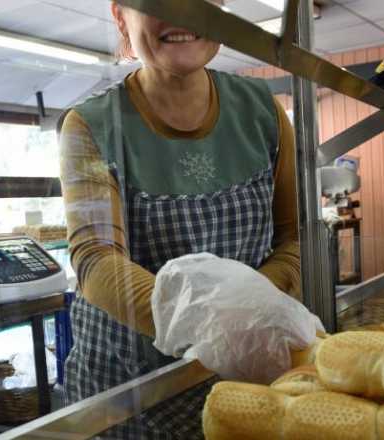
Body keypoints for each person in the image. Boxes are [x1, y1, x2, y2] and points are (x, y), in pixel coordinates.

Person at [58, 1, 302, 437]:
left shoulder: (263, 111)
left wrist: (245, 317)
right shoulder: (90, 126)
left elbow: (296, 236)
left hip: (239, 375)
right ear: (121, 16)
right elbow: (96, 260)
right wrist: (217, 325)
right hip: (128, 389)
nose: (182, 12)